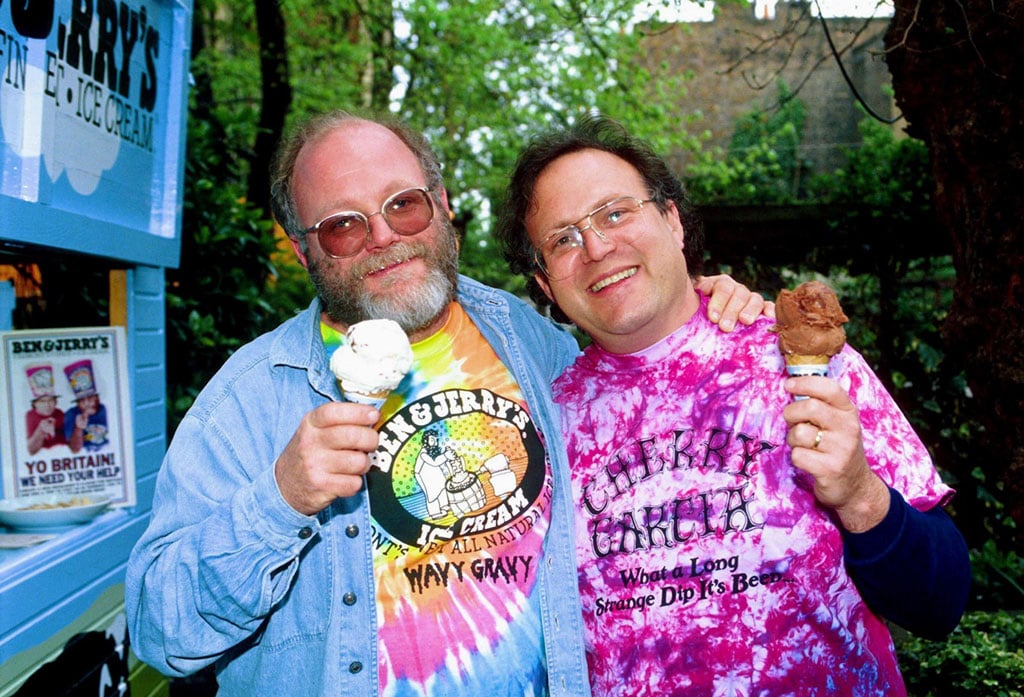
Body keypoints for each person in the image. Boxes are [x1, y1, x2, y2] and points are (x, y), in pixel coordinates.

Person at [125, 110, 765, 697]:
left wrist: (697, 308)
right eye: (343, 225)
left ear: (442, 207)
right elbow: (162, 636)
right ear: (302, 250)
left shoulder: (533, 343)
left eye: (403, 205)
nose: (382, 236)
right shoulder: (248, 400)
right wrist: (280, 499)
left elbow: (641, 383)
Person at [494, 115, 970, 697]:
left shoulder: (799, 362)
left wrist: (861, 495)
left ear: (672, 221)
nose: (595, 247)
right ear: (546, 286)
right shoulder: (537, 426)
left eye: (616, 212)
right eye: (563, 238)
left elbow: (941, 604)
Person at [63, 359, 109, 453]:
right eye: (82, 400)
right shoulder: (71, 415)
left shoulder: (105, 410)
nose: (87, 403)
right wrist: (78, 428)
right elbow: (74, 449)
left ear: (97, 398)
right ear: (77, 403)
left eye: (90, 398)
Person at [25, 364, 67, 455]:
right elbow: (31, 451)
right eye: (42, 401)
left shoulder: (60, 413)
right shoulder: (30, 416)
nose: (47, 405)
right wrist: (40, 431)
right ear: (35, 404)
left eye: (51, 400)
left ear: (55, 402)